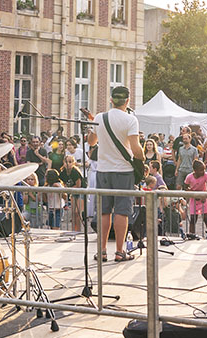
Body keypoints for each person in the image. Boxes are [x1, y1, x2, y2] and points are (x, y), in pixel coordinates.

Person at [88, 86, 144, 262]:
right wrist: (142, 159)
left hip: (103, 170)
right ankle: (120, 251)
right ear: (127, 101)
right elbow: (136, 150)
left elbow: (91, 141)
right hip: (123, 171)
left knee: (104, 212)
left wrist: (95, 127)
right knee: (121, 211)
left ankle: (102, 250)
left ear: (111, 100)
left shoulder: (99, 117)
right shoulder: (130, 120)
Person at [183, 160, 207, 238]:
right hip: (194, 198)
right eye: (201, 170)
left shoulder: (205, 175)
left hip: (204, 198)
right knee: (193, 218)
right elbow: (185, 186)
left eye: (204, 169)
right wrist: (190, 191)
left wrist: (205, 195)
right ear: (195, 170)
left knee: (206, 217)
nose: (203, 171)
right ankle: (191, 234)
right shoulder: (189, 177)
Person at [59, 155, 84, 231]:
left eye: (70, 162)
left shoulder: (75, 172)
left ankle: (78, 230)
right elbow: (63, 183)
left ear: (73, 163)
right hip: (72, 192)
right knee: (73, 213)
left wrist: (68, 189)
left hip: (81, 192)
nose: (68, 164)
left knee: (77, 213)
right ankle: (73, 230)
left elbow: (78, 185)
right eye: (66, 162)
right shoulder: (63, 173)